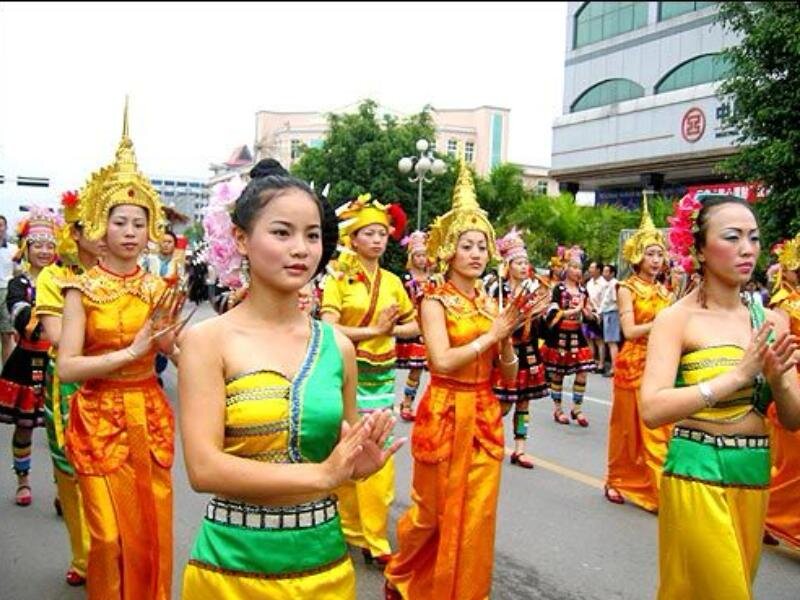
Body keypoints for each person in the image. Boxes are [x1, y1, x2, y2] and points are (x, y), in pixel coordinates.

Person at [179, 173, 403, 599]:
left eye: (312, 235)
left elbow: (342, 453)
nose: (301, 248)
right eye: (282, 232)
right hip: (230, 569)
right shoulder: (208, 341)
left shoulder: (338, 347)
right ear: (242, 240)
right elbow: (203, 468)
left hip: (325, 568)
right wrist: (321, 475)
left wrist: (353, 466)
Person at [384, 160, 536, 600]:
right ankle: (407, 575)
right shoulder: (434, 301)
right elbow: (442, 361)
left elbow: (506, 372)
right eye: (467, 245)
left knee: (477, 514)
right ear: (449, 249)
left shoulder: (491, 303)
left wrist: (506, 339)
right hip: (446, 410)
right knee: (432, 513)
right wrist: (491, 334)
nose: (476, 253)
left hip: (485, 411)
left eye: (482, 246)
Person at [640, 193, 800, 599]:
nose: (747, 249)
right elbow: (653, 408)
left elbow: (794, 417)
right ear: (699, 249)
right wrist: (736, 377)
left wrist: (779, 382)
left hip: (753, 472)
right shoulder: (676, 320)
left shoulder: (773, 322)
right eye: (732, 237)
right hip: (696, 469)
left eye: (754, 238)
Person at [57, 103, 184, 600]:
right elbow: (67, 366)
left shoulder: (159, 288)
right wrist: (128, 352)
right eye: (120, 222)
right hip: (98, 415)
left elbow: (173, 349)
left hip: (148, 415)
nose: (130, 232)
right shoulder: (80, 290)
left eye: (139, 222)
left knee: (151, 531)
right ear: (100, 227)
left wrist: (180, 345)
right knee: (108, 537)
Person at [320, 193, 418, 566]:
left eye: (382, 233)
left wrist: (392, 330)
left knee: (380, 455)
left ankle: (374, 536)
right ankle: (346, 526)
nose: (377, 239)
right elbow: (328, 328)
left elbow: (413, 324)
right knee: (346, 448)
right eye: (369, 233)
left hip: (380, 378)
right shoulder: (338, 279)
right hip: (345, 375)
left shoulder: (393, 281)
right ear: (353, 239)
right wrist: (375, 329)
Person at [34, 190, 102, 586]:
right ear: (75, 233)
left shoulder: (122, 275)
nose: (101, 232)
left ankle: (112, 552)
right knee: (72, 474)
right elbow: (58, 336)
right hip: (69, 386)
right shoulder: (54, 277)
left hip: (115, 385)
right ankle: (83, 558)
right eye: (90, 224)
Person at [604, 201, 672, 509]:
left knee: (660, 428)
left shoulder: (666, 292)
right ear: (637, 256)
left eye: (659, 253)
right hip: (633, 362)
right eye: (650, 253)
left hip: (661, 362)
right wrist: (663, 322)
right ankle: (617, 479)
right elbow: (629, 331)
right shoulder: (626, 288)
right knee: (627, 428)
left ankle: (658, 486)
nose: (656, 260)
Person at [0, 207, 59, 506]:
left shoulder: (65, 281)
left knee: (60, 431)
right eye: (38, 245)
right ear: (26, 248)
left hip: (59, 362)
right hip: (27, 362)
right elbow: (19, 315)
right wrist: (52, 324)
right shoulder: (18, 285)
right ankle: (22, 481)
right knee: (24, 427)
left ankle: (63, 488)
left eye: (50, 245)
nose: (45, 251)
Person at [487, 227, 550, 469]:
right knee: (503, 404)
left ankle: (520, 449)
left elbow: (541, 324)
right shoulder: (497, 289)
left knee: (524, 403)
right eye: (519, 262)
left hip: (528, 351)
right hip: (505, 350)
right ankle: (488, 437)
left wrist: (541, 315)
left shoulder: (534, 291)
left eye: (526, 262)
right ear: (508, 265)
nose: (524, 267)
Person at [764, 234, 800, 549]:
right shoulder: (783, 303)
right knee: (793, 461)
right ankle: (768, 510)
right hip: (792, 382)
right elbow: (781, 348)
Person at [541, 246, 596, 427]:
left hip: (577, 334)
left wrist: (590, 314)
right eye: (573, 267)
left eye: (579, 268)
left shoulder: (583, 291)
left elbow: (588, 313)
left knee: (583, 372)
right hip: (560, 335)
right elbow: (553, 311)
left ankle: (577, 408)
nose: (577, 271)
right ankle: (558, 409)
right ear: (566, 269)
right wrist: (573, 310)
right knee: (558, 374)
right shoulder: (559, 289)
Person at [396, 230, 430, 422]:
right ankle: (407, 403)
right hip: (414, 324)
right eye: (417, 255)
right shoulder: (406, 278)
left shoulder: (435, 278)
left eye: (424, 255)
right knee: (416, 369)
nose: (421, 259)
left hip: (432, 326)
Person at [0, 214, 19, 364]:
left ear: (5, 228)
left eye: (1, 225)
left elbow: (19, 270)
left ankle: (6, 372)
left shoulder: (13, 249)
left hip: (6, 292)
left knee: (7, 334)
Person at [585, 260, 607, 372]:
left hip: (599, 314)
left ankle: (601, 364)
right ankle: (592, 361)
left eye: (592, 268)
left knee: (599, 340)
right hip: (588, 313)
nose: (590, 270)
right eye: (590, 268)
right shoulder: (589, 283)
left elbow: (605, 301)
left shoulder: (604, 284)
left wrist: (599, 314)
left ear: (598, 270)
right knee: (589, 338)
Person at [598, 263, 620, 377]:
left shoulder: (615, 284)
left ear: (612, 273)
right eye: (604, 271)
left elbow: (616, 301)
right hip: (607, 313)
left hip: (612, 313)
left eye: (607, 271)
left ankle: (614, 368)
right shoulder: (608, 284)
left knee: (612, 342)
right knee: (609, 342)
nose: (604, 273)